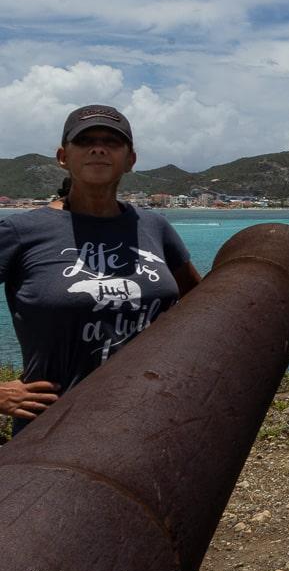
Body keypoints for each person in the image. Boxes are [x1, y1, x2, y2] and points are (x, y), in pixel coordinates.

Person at [0, 104, 202, 435]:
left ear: (130, 160)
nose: (98, 148)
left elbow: (201, 306)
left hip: (148, 420)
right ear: (63, 156)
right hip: (52, 430)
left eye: (112, 141)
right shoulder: (23, 231)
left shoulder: (154, 226)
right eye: (85, 140)